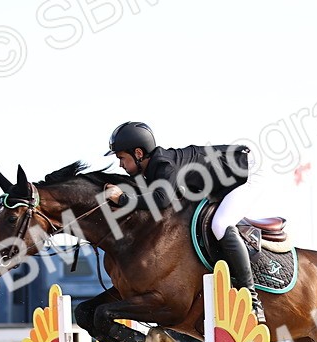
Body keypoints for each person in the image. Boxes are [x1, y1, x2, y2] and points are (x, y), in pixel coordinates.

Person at [101, 121, 264, 323]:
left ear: (138, 153)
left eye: (122, 158)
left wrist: (122, 199)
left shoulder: (163, 165)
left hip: (248, 174)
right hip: (220, 181)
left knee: (220, 225)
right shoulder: (151, 170)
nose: (120, 164)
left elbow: (161, 199)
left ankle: (252, 301)